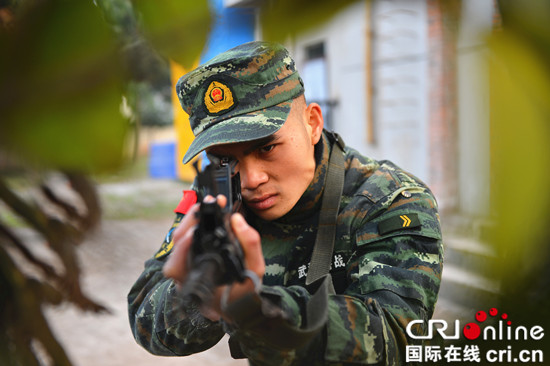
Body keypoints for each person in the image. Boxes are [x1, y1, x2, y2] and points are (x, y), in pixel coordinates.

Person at [128, 41, 443, 365]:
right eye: (225, 159)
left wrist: (255, 311)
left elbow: (395, 340)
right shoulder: (219, 195)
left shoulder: (388, 199)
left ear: (313, 123)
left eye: (266, 148)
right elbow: (142, 313)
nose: (250, 180)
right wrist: (199, 296)